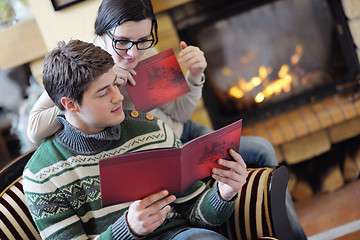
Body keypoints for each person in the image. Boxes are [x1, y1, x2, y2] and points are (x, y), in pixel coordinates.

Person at [26, 0, 306, 238]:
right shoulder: (81, 68)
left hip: (168, 134)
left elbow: (179, 113)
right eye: (122, 41)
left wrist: (195, 78)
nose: (134, 52)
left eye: (143, 39)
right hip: (151, 142)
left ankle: (270, 223)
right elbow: (35, 128)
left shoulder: (147, 54)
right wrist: (105, 86)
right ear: (102, 33)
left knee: (259, 151)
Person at [23, 40, 249, 240]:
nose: (119, 96)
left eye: (115, 83)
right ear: (70, 105)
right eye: (103, 93)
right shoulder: (42, 175)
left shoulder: (152, 131)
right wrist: (127, 229)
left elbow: (197, 215)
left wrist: (223, 193)